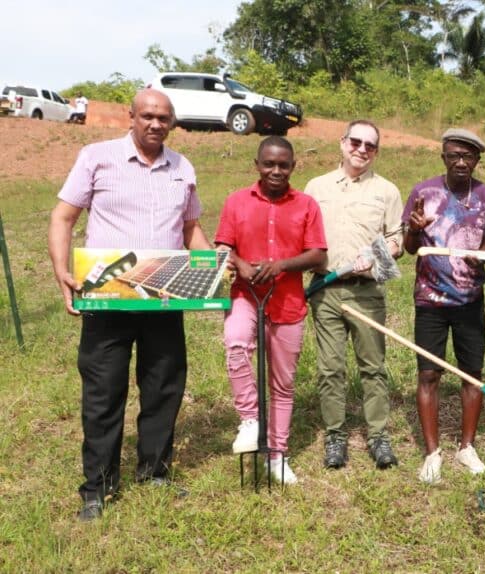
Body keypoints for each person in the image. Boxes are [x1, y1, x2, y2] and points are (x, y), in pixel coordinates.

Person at [47, 89, 211, 521]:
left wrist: (213, 273)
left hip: (164, 297)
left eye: (164, 118)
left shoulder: (182, 167)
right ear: (131, 117)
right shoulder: (97, 157)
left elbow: (191, 228)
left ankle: (154, 472)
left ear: (172, 123)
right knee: (103, 393)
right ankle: (97, 487)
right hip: (108, 297)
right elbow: (63, 216)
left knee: (164, 386)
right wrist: (62, 272)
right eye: (148, 116)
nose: (156, 124)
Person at [214, 136, 327, 484]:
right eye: (269, 164)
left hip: (287, 300)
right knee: (235, 343)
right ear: (257, 165)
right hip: (244, 294)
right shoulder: (236, 202)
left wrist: (280, 266)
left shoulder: (307, 205)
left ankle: (277, 454)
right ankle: (250, 419)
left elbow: (318, 255)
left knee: (282, 383)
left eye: (283, 165)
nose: (276, 171)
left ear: (293, 166)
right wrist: (241, 264)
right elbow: (222, 246)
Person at [402, 128, 485, 484]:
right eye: (454, 155)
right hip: (430, 300)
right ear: (443, 156)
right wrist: (414, 229)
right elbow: (411, 246)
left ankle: (466, 447)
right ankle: (432, 452)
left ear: (476, 160)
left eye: (468, 156)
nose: (461, 162)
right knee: (428, 374)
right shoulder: (423, 192)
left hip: (470, 299)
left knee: (471, 375)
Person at [305, 120, 404, 470]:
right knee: (330, 369)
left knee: (373, 367)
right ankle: (335, 435)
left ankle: (378, 436)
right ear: (343, 143)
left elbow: (397, 238)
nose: (362, 149)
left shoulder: (387, 191)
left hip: (366, 293)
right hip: (325, 291)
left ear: (376, 151)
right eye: (356, 142)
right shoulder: (315, 187)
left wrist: (380, 253)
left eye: (371, 146)